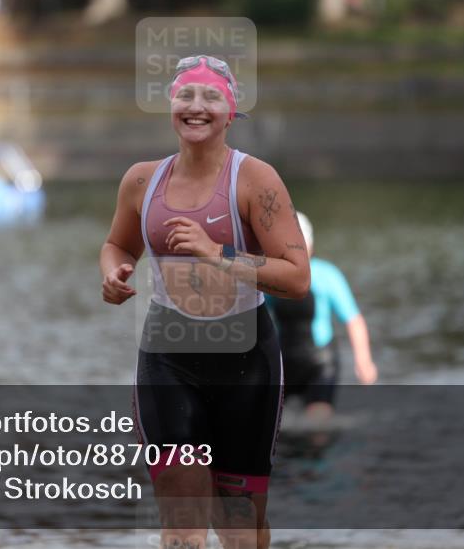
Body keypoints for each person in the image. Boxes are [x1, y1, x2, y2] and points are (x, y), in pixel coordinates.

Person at [100, 55, 310, 549]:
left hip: (246, 361)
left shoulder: (256, 181)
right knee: (182, 524)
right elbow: (117, 245)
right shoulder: (141, 181)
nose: (196, 107)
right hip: (167, 356)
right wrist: (113, 272)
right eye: (186, 96)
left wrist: (218, 254)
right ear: (171, 105)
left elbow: (297, 278)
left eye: (211, 97)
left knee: (239, 528)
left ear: (231, 112)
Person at [265, 212, 377, 424]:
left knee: (317, 428)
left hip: (319, 363)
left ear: (310, 246)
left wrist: (364, 361)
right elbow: (257, 318)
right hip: (284, 362)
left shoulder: (327, 275)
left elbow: (353, 319)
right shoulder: (274, 278)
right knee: (274, 428)